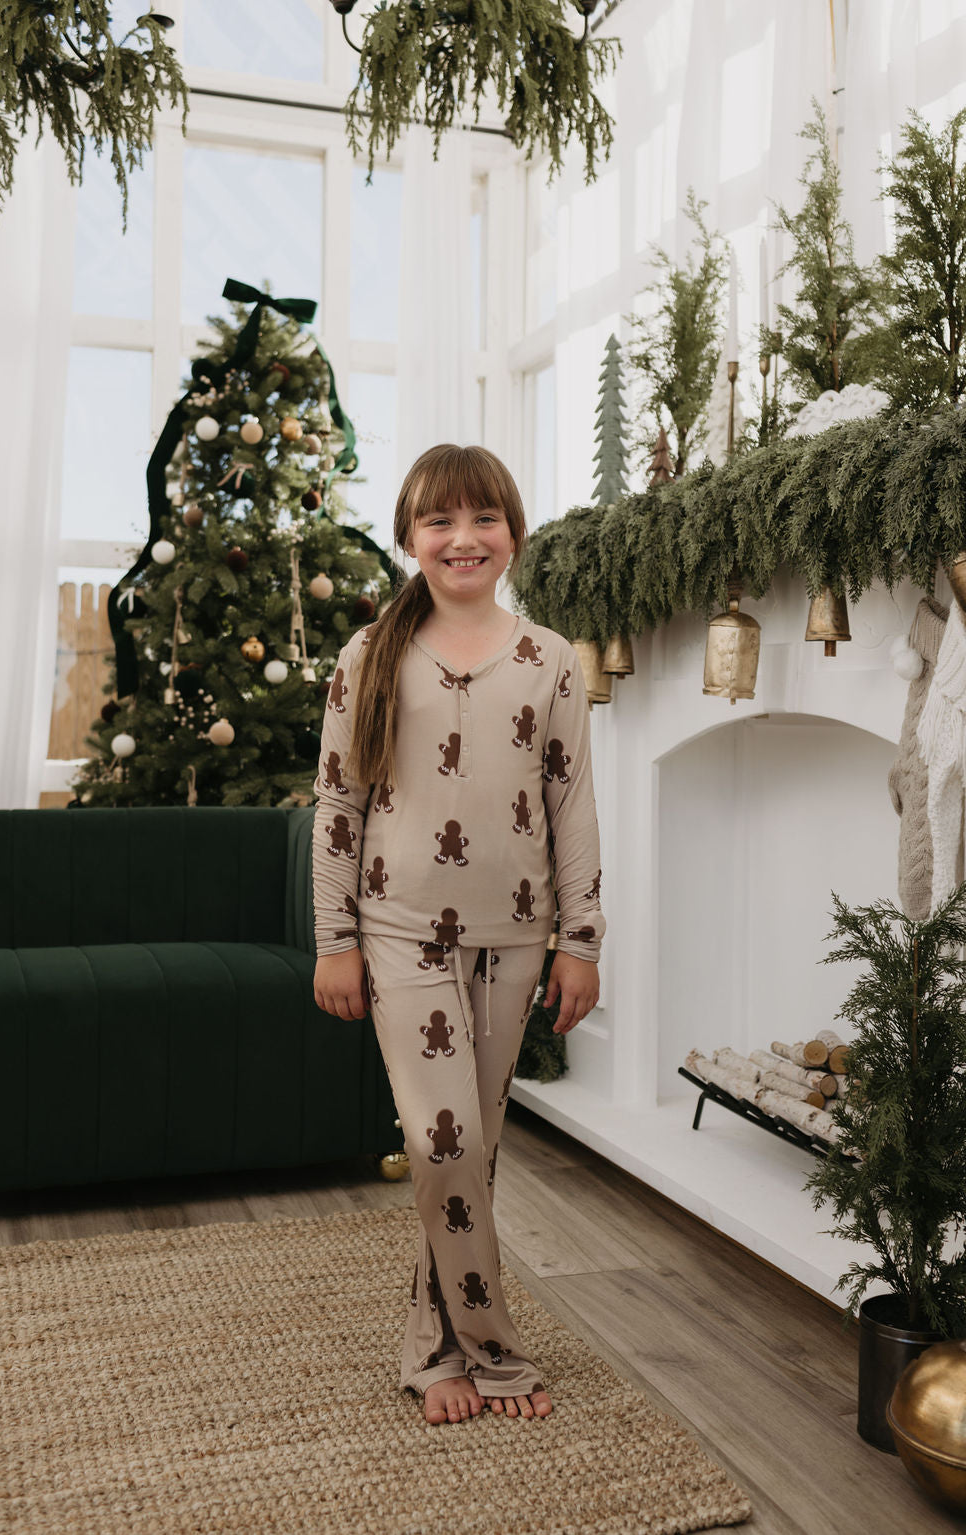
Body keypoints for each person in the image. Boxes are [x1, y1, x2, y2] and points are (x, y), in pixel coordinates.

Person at [311, 443, 606, 1427]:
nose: (462, 537)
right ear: (410, 539)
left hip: (514, 939)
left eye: (483, 518)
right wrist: (333, 938)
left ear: (512, 535)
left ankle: (435, 1344)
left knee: (473, 1152)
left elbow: (572, 807)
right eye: (440, 520)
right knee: (438, 1142)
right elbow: (337, 806)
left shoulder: (551, 658)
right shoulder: (370, 657)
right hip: (400, 935)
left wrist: (582, 939)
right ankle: (492, 1349)